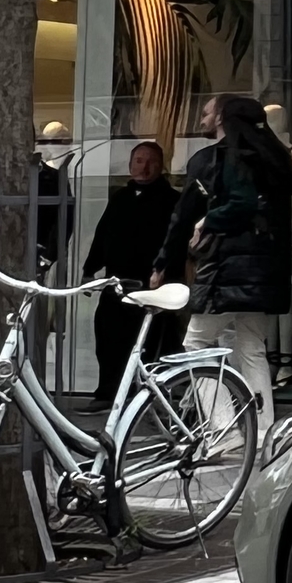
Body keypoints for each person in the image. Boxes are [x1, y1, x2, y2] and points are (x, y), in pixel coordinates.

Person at [153, 95, 292, 437]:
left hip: (227, 265)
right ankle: (263, 433)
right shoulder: (273, 158)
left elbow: (199, 212)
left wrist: (204, 224)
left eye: (206, 112)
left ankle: (224, 428)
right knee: (251, 347)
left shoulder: (220, 158)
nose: (201, 118)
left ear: (222, 118)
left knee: (195, 345)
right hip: (265, 269)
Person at [82, 140, 178, 402]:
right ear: (130, 165)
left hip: (151, 287)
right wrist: (89, 271)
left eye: (151, 162)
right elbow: (103, 235)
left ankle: (142, 400)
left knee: (148, 345)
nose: (144, 167)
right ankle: (107, 395)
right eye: (139, 161)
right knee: (108, 340)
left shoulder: (171, 200)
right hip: (116, 283)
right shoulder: (120, 197)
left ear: (161, 166)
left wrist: (164, 272)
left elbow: (176, 243)